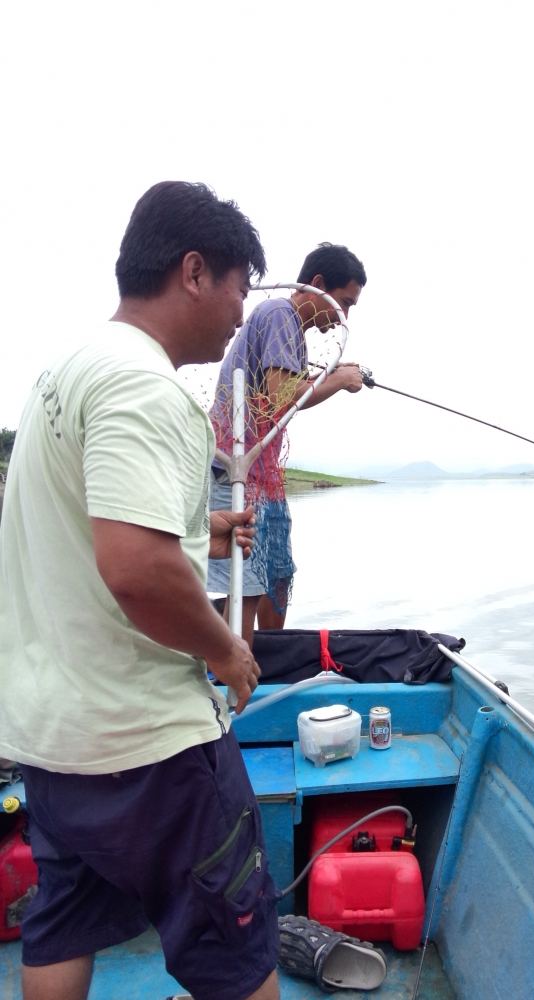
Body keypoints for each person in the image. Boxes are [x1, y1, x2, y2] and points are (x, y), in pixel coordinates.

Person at [0, 182, 281, 1000]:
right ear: (194, 271)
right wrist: (227, 650)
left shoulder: (70, 370)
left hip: (53, 737)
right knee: (233, 945)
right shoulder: (146, 387)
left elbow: (90, 532)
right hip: (146, 747)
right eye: (237, 286)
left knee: (62, 920)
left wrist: (205, 535)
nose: (239, 313)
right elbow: (135, 570)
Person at [207, 243, 367, 645]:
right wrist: (340, 380)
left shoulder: (291, 328)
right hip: (235, 471)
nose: (343, 315)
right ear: (317, 285)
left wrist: (332, 374)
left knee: (276, 576)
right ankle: (232, 679)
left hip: (261, 475)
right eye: (342, 302)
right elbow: (282, 396)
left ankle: (268, 666)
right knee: (247, 584)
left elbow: (282, 388)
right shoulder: (280, 314)